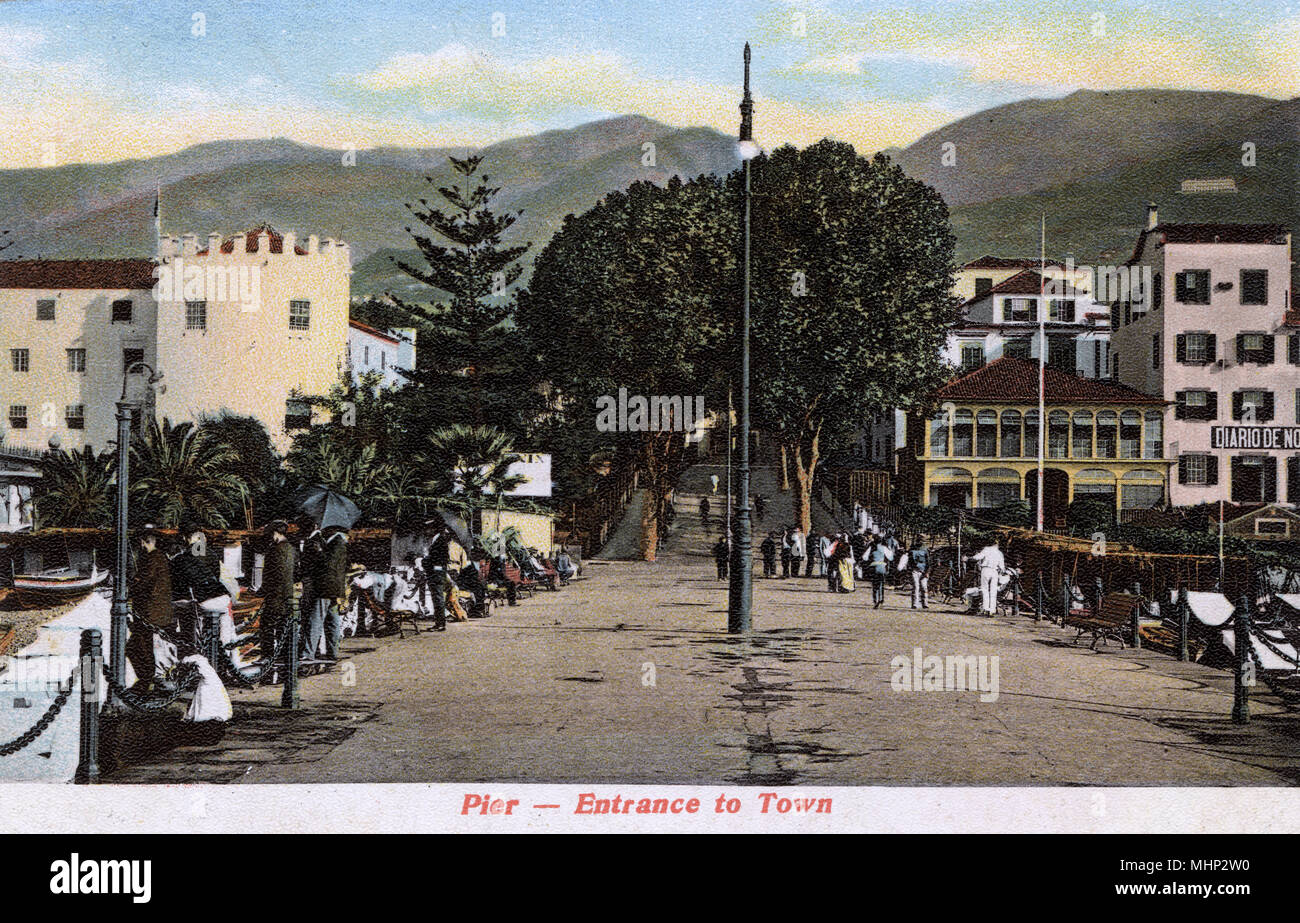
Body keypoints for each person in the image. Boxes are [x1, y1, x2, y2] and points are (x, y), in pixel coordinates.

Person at [167, 520, 229, 652]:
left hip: (200, 603)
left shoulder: (180, 559)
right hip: (221, 600)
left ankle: (189, 648)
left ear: (184, 538)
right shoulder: (212, 554)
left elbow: (178, 587)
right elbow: (216, 578)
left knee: (180, 607)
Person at [126, 526, 174, 692]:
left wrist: (131, 588)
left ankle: (148, 680)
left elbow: (143, 583)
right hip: (156, 611)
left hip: (150, 612)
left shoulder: (152, 559)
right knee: (144, 646)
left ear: (142, 542)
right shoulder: (160, 557)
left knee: (140, 646)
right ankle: (148, 679)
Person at [258, 520, 297, 679]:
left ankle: (267, 655)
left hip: (275, 595)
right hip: (287, 594)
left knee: (267, 626)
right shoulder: (291, 549)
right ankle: (284, 656)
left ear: (275, 533)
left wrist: (263, 590)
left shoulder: (274, 550)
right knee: (283, 628)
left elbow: (272, 575)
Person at [303, 525, 348, 660]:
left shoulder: (337, 543)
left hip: (326, 588)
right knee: (332, 621)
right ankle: (332, 652)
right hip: (333, 589)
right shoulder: (336, 542)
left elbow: (329, 564)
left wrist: (319, 552)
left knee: (316, 620)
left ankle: (308, 653)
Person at [425, 518, 456, 627]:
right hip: (436, 572)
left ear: (433, 529)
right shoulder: (436, 539)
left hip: (436, 573)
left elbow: (440, 558)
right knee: (437, 598)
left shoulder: (440, 540)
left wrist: (425, 560)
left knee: (438, 598)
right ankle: (439, 622)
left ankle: (440, 624)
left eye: (428, 529)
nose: (427, 531)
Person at [971, 537, 1007, 617]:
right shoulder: (999, 553)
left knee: (985, 589)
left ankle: (986, 608)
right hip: (995, 571)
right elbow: (1002, 567)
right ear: (997, 544)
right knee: (993, 591)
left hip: (986, 570)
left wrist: (971, 557)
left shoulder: (986, 549)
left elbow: (978, 557)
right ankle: (992, 610)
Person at [867, 537, 894, 608]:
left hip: (873, 566)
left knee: (874, 584)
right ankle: (881, 599)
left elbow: (864, 557)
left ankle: (875, 600)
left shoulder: (871, 548)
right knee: (881, 583)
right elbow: (890, 558)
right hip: (882, 566)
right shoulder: (884, 548)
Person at [908, 538, 930, 610]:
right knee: (916, 586)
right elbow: (909, 562)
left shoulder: (925, 550)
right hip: (915, 570)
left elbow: (928, 562)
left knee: (924, 587)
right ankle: (915, 604)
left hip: (923, 571)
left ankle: (925, 603)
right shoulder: (912, 550)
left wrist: (927, 572)